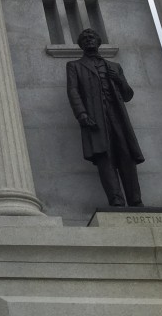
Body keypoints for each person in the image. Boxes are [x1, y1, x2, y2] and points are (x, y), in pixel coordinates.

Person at [66, 28, 144, 207]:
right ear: (81, 44)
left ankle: (135, 199)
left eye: (92, 37)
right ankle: (116, 200)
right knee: (105, 156)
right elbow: (73, 90)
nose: (89, 40)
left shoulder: (114, 67)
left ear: (99, 41)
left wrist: (119, 80)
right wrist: (81, 114)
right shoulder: (75, 66)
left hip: (117, 116)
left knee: (126, 155)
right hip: (95, 117)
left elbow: (127, 95)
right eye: (85, 38)